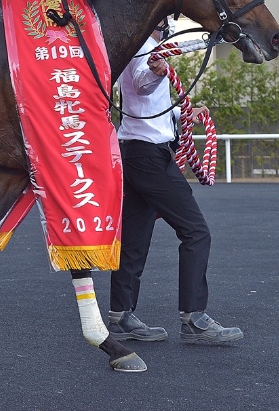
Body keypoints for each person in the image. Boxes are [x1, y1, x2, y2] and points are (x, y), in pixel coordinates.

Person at [108, 19, 243, 345]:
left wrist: (185, 115)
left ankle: (120, 316)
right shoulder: (144, 50)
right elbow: (141, 83)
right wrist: (156, 71)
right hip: (150, 158)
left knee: (135, 238)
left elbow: (148, 103)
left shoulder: (140, 47)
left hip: (135, 153)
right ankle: (193, 318)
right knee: (196, 232)